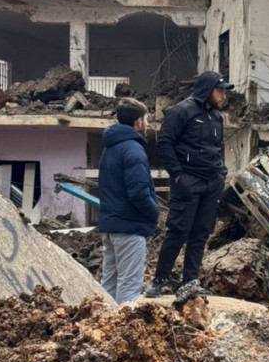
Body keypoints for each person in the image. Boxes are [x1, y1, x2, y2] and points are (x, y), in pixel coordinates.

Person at [145, 71, 233, 297]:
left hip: (212, 182)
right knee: (178, 231)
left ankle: (190, 282)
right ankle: (159, 280)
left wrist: (221, 174)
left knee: (201, 233)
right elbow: (164, 143)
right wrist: (177, 175)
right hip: (188, 181)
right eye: (220, 91)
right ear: (208, 90)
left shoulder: (216, 117)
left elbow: (219, 147)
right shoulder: (180, 112)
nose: (224, 96)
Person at [98, 97, 158, 304]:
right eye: (146, 119)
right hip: (129, 227)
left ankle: (102, 321)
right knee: (129, 288)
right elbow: (138, 193)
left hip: (110, 226)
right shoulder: (133, 149)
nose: (148, 124)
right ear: (138, 122)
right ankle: (122, 323)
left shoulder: (110, 148)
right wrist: (154, 213)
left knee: (109, 284)